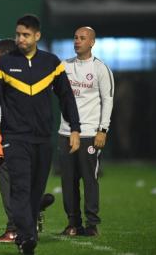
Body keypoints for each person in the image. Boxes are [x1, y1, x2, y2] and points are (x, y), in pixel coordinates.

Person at [0, 15, 81, 255]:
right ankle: (26, 239)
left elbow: (66, 96)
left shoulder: (51, 63)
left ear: (37, 36)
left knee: (35, 192)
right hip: (14, 138)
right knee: (21, 189)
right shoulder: (4, 64)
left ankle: (29, 232)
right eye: (18, 34)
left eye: (25, 35)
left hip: (42, 139)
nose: (20, 39)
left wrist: (75, 129)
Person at [0, 39, 55, 243]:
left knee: (7, 179)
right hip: (33, 138)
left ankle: (14, 228)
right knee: (21, 182)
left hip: (14, 138)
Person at [58, 26, 114, 237]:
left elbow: (108, 100)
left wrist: (103, 130)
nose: (77, 41)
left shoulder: (100, 68)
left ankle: (92, 224)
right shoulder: (64, 66)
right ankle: (73, 223)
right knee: (68, 181)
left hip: (90, 133)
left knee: (89, 180)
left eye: (82, 38)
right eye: (75, 37)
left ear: (92, 42)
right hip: (65, 133)